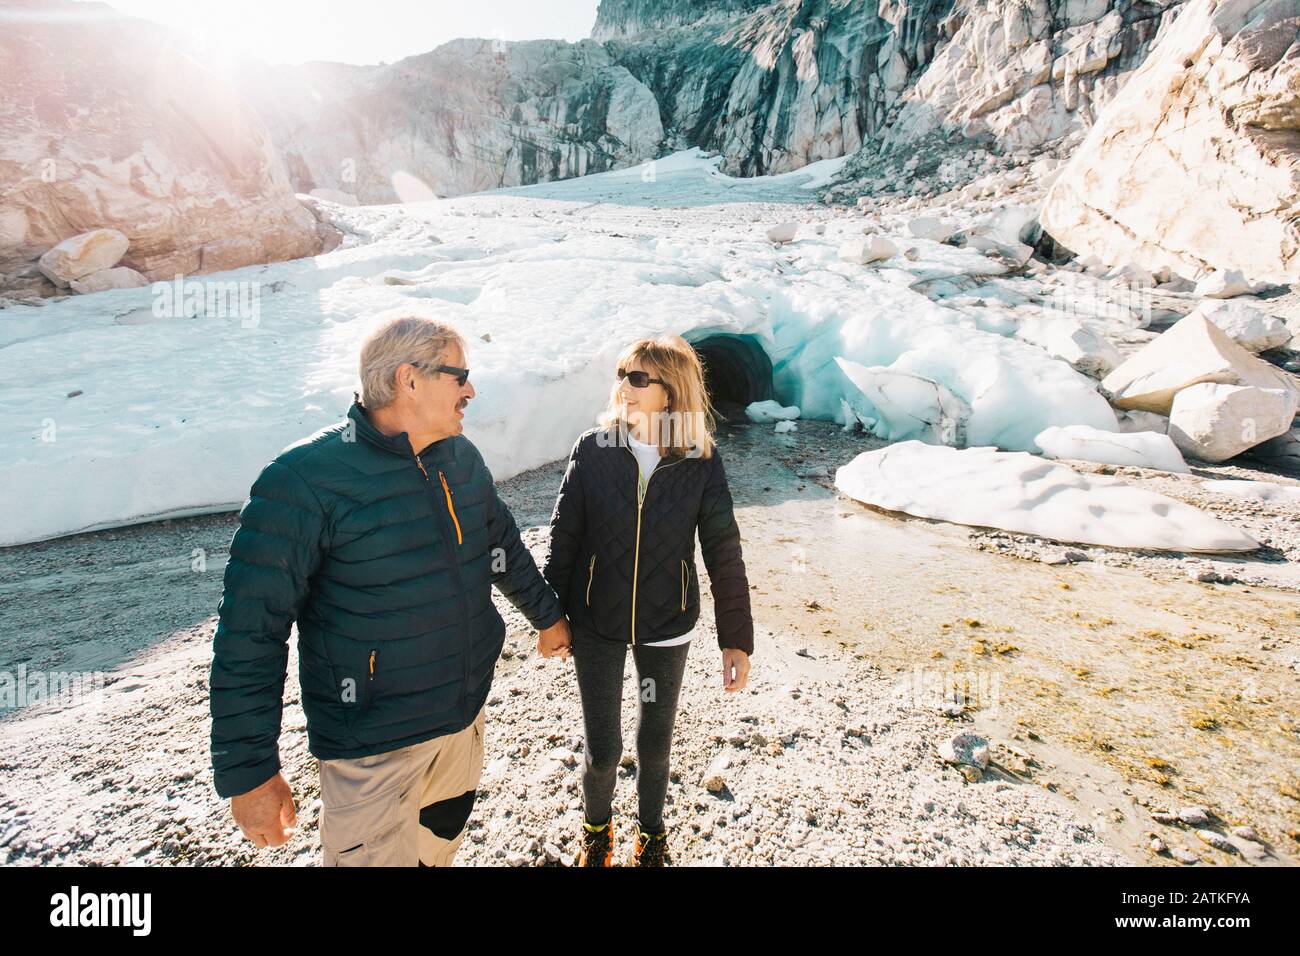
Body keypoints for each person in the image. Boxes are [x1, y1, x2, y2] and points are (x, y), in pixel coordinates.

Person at [209, 315, 571, 866]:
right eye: (460, 376)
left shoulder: (459, 458)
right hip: (374, 747)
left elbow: (500, 548)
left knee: (436, 851)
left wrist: (547, 618)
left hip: (462, 720)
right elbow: (250, 634)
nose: (471, 390)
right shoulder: (304, 481)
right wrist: (249, 771)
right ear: (409, 379)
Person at [540, 335, 754, 866]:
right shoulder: (594, 449)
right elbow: (563, 537)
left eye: (638, 378)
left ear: (670, 391)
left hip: (668, 623)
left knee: (655, 743)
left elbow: (723, 551)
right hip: (597, 622)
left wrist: (736, 640)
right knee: (604, 747)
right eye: (621, 374)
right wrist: (550, 617)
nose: (624, 387)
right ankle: (596, 830)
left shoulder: (699, 458)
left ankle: (652, 835)